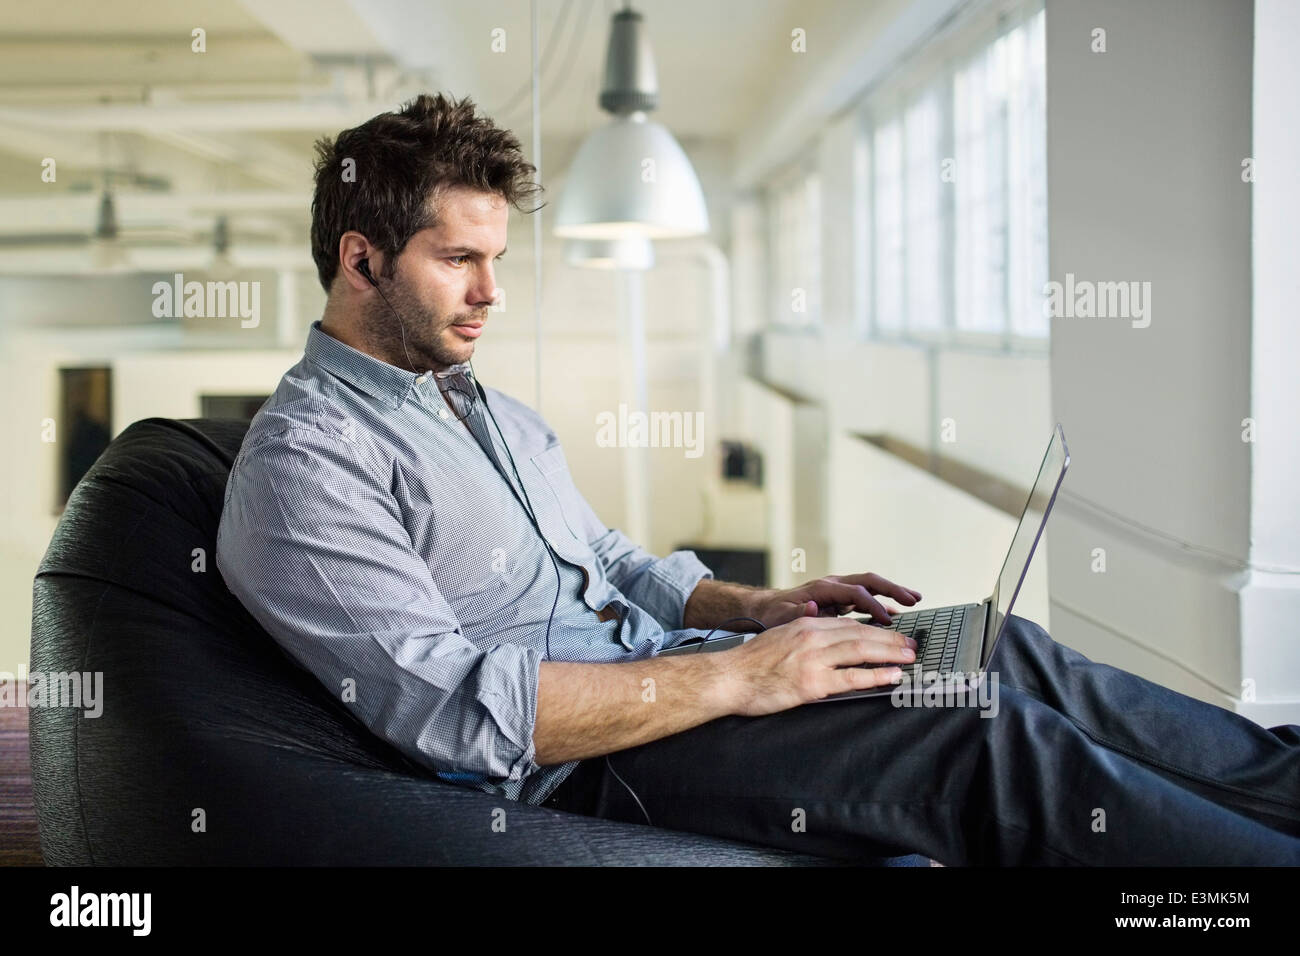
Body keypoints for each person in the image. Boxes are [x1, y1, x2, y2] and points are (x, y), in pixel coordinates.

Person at [216, 92, 1300, 866]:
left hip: (680, 667)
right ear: (361, 260)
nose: (493, 292)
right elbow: (454, 713)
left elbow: (602, 560)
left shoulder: (474, 398)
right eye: (459, 259)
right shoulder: (307, 462)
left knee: (1001, 648)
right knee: (981, 731)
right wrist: (742, 676)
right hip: (593, 761)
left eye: (499, 259)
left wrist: (757, 611)